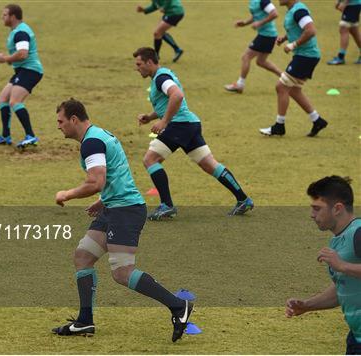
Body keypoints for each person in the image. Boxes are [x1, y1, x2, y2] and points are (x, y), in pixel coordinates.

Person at [52, 98, 193, 342]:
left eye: (61, 121)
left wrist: (67, 194)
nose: (59, 126)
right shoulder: (97, 135)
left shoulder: (92, 142)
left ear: (74, 119)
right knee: (83, 256)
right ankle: (85, 321)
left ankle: (178, 306)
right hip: (114, 207)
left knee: (122, 273)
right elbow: (114, 175)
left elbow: (96, 181)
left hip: (125, 211)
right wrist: (104, 199)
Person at [133, 47, 253, 220]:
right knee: (209, 164)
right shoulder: (162, 75)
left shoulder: (161, 78)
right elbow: (167, 101)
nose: (137, 68)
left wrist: (164, 121)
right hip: (189, 124)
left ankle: (166, 205)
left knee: (150, 160)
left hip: (179, 125)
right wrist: (151, 117)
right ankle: (243, 199)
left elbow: (177, 96)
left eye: (139, 64)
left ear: (150, 62)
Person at [286, 176, 360, 355]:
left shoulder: (358, 233)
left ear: (337, 208)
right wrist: (307, 305)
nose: (312, 215)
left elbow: (345, 270)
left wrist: (342, 265)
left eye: (317, 208)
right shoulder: (337, 241)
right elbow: (341, 289)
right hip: (356, 337)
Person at [259, 0, 328, 137]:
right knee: (294, 90)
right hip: (305, 55)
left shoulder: (298, 10)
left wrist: (293, 44)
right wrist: (285, 38)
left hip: (306, 56)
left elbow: (311, 30)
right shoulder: (293, 10)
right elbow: (298, 28)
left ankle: (279, 126)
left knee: (281, 86)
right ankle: (317, 120)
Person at [0, 4, 43, 149]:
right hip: (22, 70)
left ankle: (31, 136)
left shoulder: (21, 32)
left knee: (14, 101)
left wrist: (5, 58)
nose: (2, 17)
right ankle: (5, 136)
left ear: (13, 17)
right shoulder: (16, 31)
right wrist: (8, 59)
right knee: (3, 98)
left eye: (5, 15)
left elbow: (23, 53)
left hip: (31, 70)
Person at [224, 0, 282, 93]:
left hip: (267, 35)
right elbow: (256, 16)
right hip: (267, 35)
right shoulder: (253, 1)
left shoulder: (263, 1)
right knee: (261, 62)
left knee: (246, 57)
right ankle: (285, 77)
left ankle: (240, 85)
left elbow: (274, 13)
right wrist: (244, 22)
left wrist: (260, 23)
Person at [327, 0, 361, 65]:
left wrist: (345, 2)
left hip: (352, 5)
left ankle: (341, 57)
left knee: (343, 28)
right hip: (353, 5)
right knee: (354, 30)